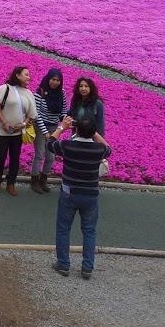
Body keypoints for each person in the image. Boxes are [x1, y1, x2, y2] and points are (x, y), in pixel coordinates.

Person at [52, 112, 111, 278]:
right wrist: (94, 132)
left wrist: (61, 127)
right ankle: (87, 268)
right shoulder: (99, 150)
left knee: (63, 229)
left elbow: (50, 143)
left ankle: (63, 264)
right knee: (89, 231)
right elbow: (109, 148)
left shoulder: (67, 146)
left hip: (69, 193)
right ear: (93, 132)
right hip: (90, 195)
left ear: (76, 130)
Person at [0, 66, 36, 196]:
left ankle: (11, 183)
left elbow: (31, 115)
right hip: (1, 131)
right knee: (0, 157)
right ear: (17, 75)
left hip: (17, 132)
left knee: (15, 158)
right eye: (26, 74)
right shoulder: (5, 88)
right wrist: (4, 122)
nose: (29, 77)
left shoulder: (28, 93)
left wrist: (23, 125)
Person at [30, 68, 65, 193]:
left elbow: (63, 111)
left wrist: (64, 123)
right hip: (40, 127)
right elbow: (36, 114)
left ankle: (43, 179)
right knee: (39, 154)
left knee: (51, 156)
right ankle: (34, 180)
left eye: (57, 80)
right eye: (53, 79)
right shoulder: (39, 92)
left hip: (54, 127)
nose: (55, 82)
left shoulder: (62, 93)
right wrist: (44, 131)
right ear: (48, 78)